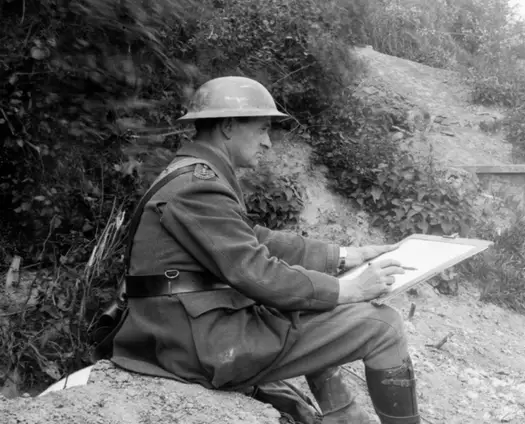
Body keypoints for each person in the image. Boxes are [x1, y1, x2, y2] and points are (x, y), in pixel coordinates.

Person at [109, 76, 420, 424]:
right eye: (262, 130)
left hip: (185, 332)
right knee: (384, 326)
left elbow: (254, 240)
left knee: (313, 309)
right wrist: (346, 289)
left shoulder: (194, 176)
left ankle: (343, 417)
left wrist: (344, 256)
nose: (268, 143)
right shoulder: (197, 187)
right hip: (199, 346)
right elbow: (255, 270)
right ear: (228, 126)